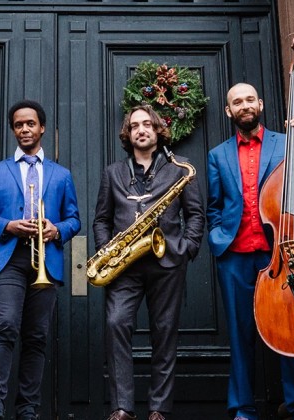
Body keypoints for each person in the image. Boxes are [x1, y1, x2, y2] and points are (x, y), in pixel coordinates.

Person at [206, 82, 294, 420]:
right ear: (228, 111)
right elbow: (213, 206)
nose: (244, 106)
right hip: (235, 256)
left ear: (261, 104)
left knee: (289, 328)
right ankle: (242, 408)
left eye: (249, 100)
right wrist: (217, 238)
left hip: (280, 252)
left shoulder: (286, 144)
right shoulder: (217, 155)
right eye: (237, 102)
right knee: (240, 334)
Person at [94, 105, 205, 420]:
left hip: (166, 260)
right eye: (134, 126)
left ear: (158, 130)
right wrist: (109, 251)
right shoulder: (113, 172)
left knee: (165, 331)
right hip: (124, 264)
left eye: (147, 124)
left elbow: (195, 214)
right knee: (116, 324)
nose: (140, 130)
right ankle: (122, 407)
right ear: (127, 134)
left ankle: (159, 408)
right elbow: (101, 219)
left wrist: (187, 247)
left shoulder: (181, 169)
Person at [0, 100, 81, 420]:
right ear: (13, 130)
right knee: (5, 325)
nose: (24, 129)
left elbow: (74, 220)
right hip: (9, 258)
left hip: (45, 260)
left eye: (30, 124)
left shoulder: (62, 176)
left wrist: (56, 229)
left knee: (36, 337)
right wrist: (7, 225)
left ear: (42, 128)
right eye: (19, 125)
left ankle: (27, 410)